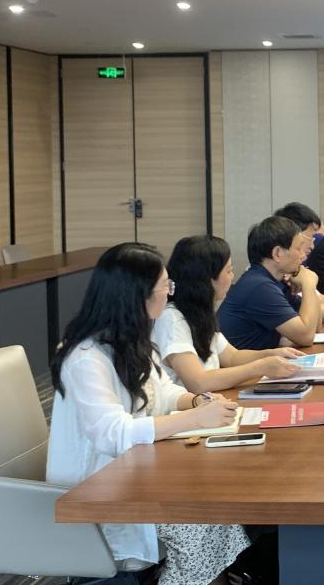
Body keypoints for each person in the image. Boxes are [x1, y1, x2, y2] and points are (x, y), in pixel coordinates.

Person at [47, 243, 249, 585]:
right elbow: (112, 433)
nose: (170, 293)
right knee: (202, 518)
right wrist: (195, 419)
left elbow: (162, 391)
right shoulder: (85, 356)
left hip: (137, 471)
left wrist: (196, 402)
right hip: (99, 486)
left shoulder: (133, 339)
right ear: (138, 296)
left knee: (214, 510)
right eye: (165, 286)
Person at [153, 235, 306, 393]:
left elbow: (232, 357)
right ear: (206, 279)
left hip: (211, 402)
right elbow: (198, 383)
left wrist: (272, 354)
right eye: (229, 271)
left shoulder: (198, 312)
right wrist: (259, 367)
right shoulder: (172, 319)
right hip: (192, 405)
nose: (232, 277)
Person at [218, 216, 324, 349]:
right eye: (298, 248)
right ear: (277, 253)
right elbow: (306, 336)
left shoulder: (276, 281)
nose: (303, 256)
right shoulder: (260, 286)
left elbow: (316, 323)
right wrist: (308, 283)